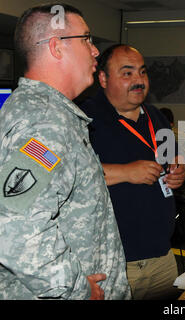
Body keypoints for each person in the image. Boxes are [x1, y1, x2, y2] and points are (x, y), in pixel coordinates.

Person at [0, 4, 130, 299]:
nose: (96, 51)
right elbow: (12, 226)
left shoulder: (44, 113)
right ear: (57, 47)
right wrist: (77, 290)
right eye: (86, 39)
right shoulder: (46, 121)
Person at [80, 44, 185, 300]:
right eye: (127, 73)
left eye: (142, 72)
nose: (138, 80)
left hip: (162, 255)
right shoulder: (84, 117)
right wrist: (125, 172)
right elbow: (66, 176)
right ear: (103, 78)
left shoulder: (156, 116)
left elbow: (174, 158)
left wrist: (180, 171)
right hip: (115, 262)